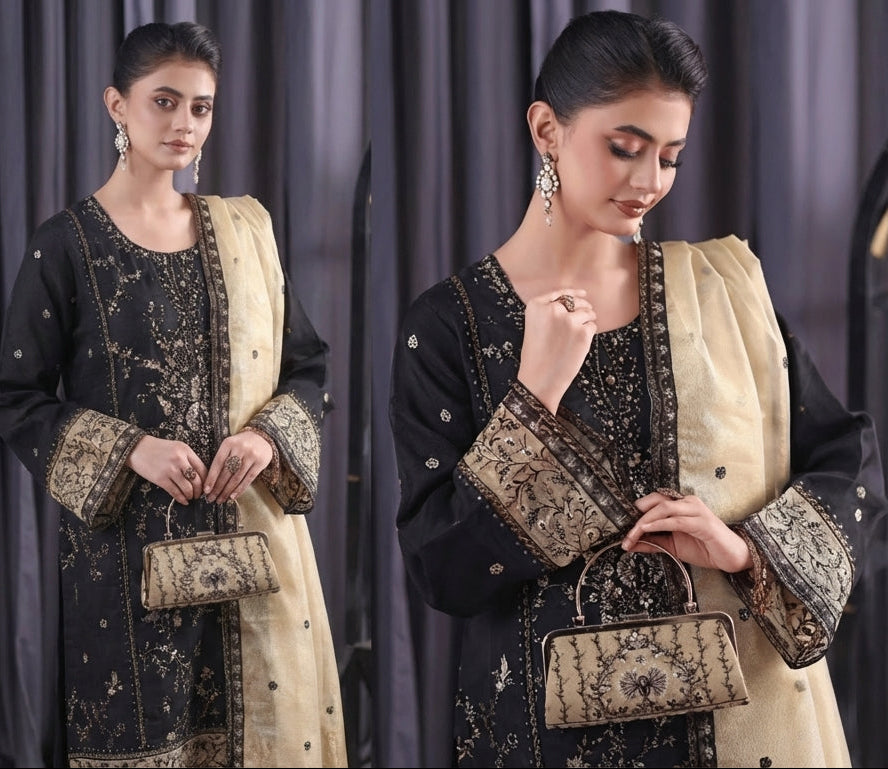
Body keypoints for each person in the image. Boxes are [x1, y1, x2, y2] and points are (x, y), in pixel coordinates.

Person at [389, 9, 888, 768]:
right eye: (624, 149)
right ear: (547, 130)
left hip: (732, 722)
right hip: (540, 733)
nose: (649, 182)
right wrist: (534, 398)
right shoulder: (448, 324)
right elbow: (442, 570)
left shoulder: (720, 292)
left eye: (670, 157)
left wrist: (744, 548)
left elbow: (849, 460)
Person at [0, 21, 346, 768]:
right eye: (164, 101)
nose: (184, 123)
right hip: (124, 569)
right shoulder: (66, 244)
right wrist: (132, 450)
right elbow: (17, 397)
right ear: (117, 105)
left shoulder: (244, 231)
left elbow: (308, 366)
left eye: (201, 106)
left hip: (252, 556)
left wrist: (264, 439)